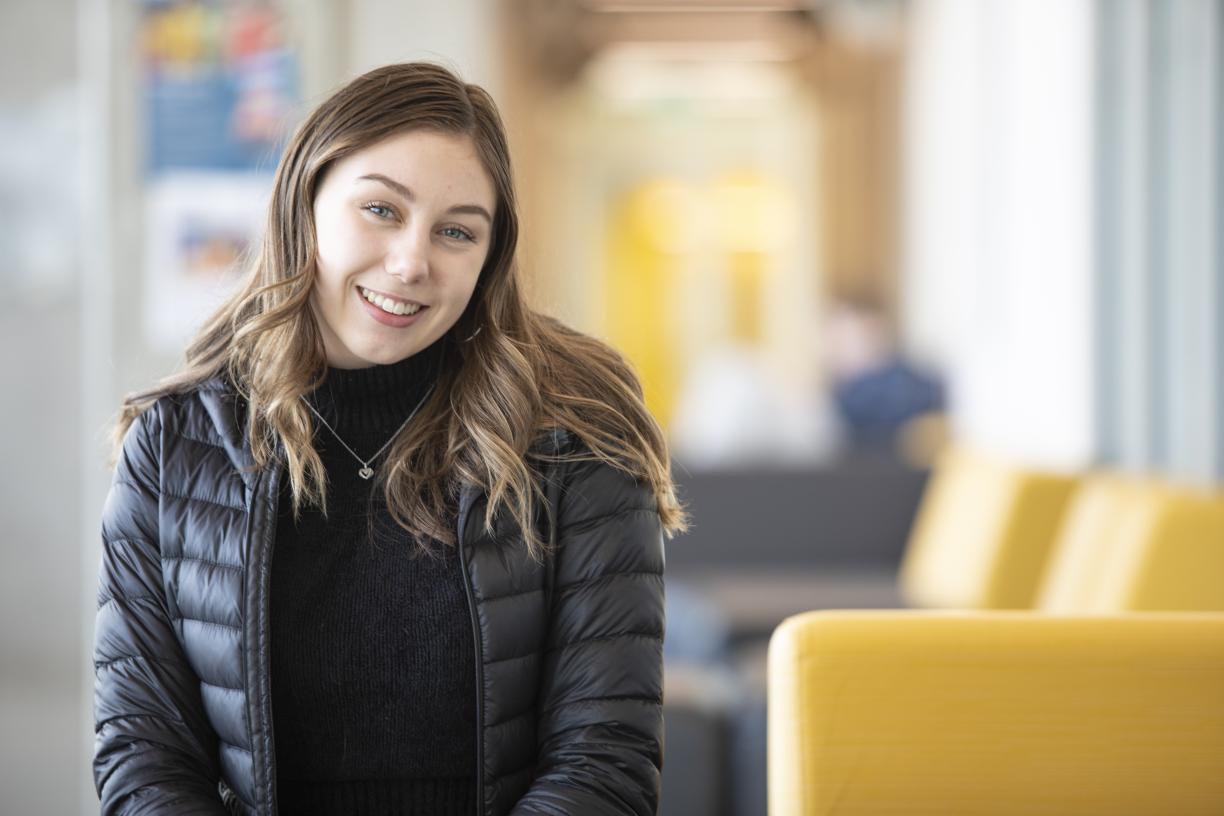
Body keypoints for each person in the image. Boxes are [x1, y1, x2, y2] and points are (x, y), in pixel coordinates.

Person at [93, 62, 686, 816]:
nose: (412, 263)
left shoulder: (574, 431)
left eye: (456, 231)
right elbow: (143, 759)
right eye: (381, 210)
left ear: (489, 255)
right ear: (303, 204)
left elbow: (605, 762)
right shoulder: (176, 446)